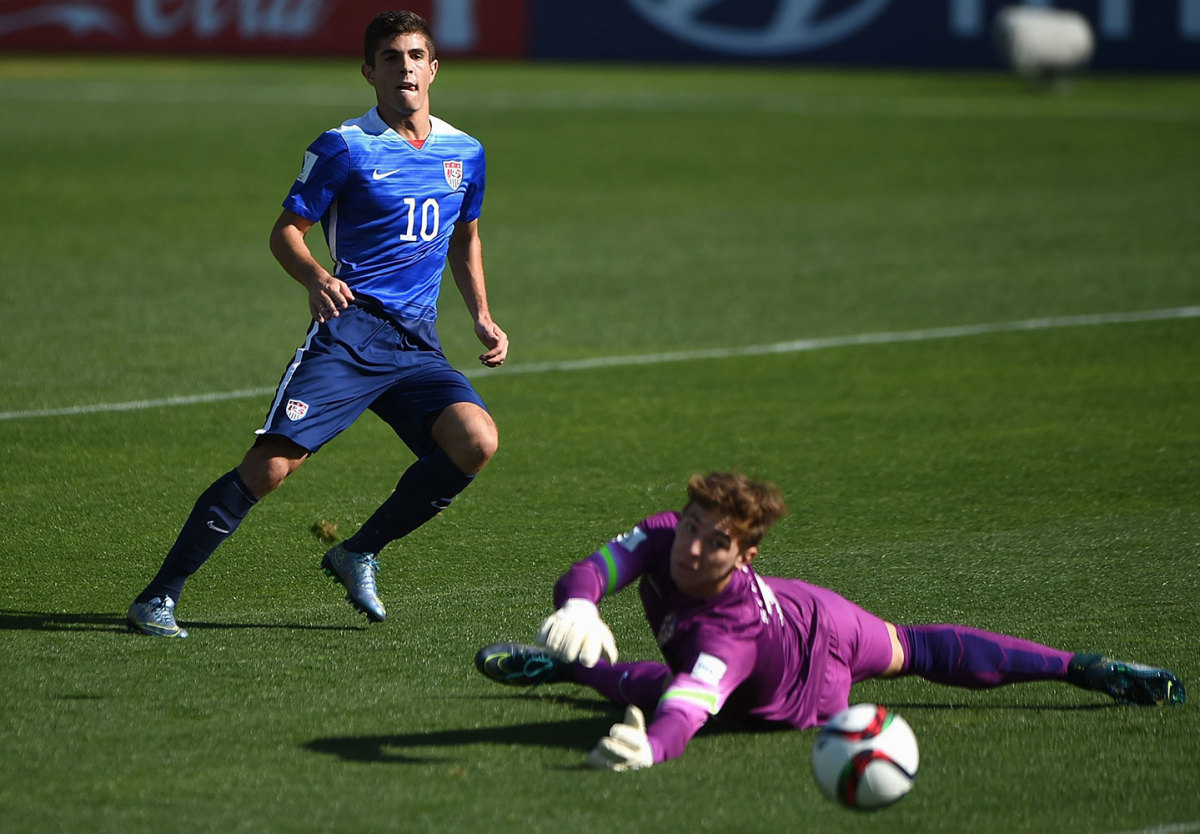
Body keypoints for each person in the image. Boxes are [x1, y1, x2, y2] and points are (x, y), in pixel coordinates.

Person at [127, 10, 508, 638]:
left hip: (416, 343)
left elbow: (466, 236)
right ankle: (157, 597)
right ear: (369, 72)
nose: (405, 67)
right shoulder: (344, 146)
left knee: (476, 441)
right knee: (271, 467)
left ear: (434, 69)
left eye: (415, 56)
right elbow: (284, 233)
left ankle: (357, 551)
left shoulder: (465, 152)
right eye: (391, 57)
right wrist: (314, 278)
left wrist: (483, 316)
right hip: (351, 333)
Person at [474, 472, 1186, 771]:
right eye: (691, 527)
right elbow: (591, 568)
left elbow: (687, 714)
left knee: (656, 686)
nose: (690, 549)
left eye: (714, 542)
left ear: (745, 553)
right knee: (913, 648)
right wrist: (577, 603)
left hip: (805, 685)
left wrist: (652, 752)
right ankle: (570, 657)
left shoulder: (726, 636)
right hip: (810, 608)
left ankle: (1081, 668)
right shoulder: (664, 534)